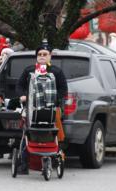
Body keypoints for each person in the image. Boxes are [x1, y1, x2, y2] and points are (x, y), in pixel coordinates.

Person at [16, 44, 68, 174]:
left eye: (45, 54)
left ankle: (56, 160)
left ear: (50, 56)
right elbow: (20, 85)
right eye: (40, 54)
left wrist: (55, 100)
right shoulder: (29, 70)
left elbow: (63, 90)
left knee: (55, 132)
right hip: (31, 107)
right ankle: (23, 163)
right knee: (26, 132)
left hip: (52, 108)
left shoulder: (56, 71)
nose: (42, 57)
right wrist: (22, 95)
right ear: (36, 57)